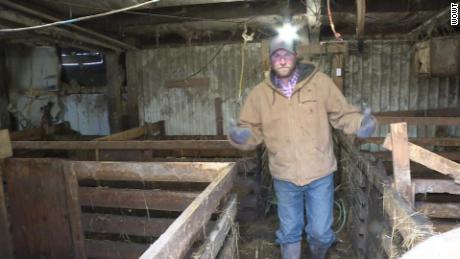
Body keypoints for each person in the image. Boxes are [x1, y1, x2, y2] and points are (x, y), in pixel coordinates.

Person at [228, 37, 376, 259]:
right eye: (276, 56)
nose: (282, 60)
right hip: (284, 175)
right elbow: (251, 129)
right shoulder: (259, 94)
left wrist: (361, 124)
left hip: (320, 173)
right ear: (270, 61)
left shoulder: (321, 84)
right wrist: (240, 136)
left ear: (295, 56)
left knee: (321, 233)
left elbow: (343, 114)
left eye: (286, 54)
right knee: (289, 233)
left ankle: (318, 253)